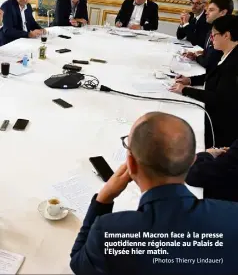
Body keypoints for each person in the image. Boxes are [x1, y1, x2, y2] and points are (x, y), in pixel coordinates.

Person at [70, 112, 238, 275]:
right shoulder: (232, 216)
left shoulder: (110, 231)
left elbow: (79, 264)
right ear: (192, 161)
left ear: (130, 163)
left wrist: (103, 199)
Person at [170, 15, 238, 148]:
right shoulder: (227, 52)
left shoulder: (234, 64)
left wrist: (185, 90)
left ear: (226, 35)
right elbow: (215, 75)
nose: (211, 39)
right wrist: (190, 80)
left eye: (214, 35)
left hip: (222, 127)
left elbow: (219, 98)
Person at [183, 0, 234, 71]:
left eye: (211, 10)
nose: (206, 13)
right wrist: (200, 54)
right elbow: (208, 53)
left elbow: (209, 63)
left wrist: (198, 56)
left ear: (223, 12)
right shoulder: (211, 28)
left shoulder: (225, 36)